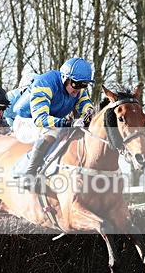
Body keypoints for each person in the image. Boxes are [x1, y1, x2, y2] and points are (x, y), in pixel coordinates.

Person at [11, 57, 96, 191]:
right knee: (52, 131)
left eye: (83, 85)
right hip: (26, 122)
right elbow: (40, 119)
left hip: (51, 122)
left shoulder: (76, 87)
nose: (79, 89)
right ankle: (29, 175)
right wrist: (69, 122)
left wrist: (89, 112)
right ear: (65, 78)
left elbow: (85, 103)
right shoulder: (44, 83)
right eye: (76, 85)